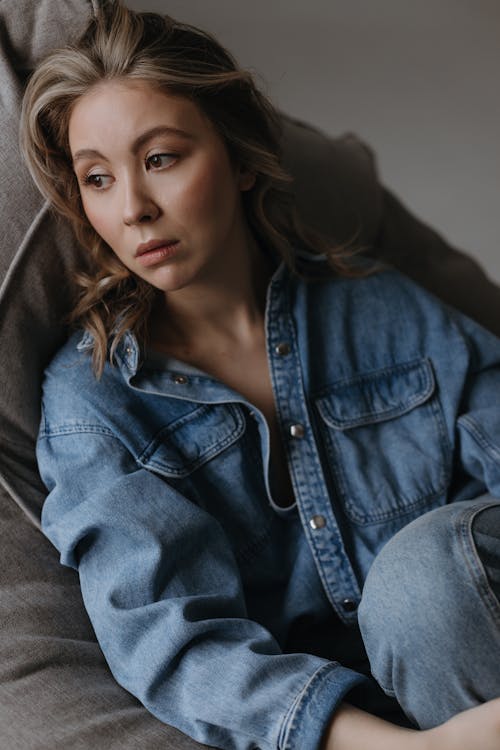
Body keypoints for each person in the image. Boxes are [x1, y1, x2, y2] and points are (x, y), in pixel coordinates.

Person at [20, 2, 500, 749]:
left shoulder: (377, 309)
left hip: (475, 660)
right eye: (97, 178)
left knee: (425, 581)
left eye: (161, 159)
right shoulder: (93, 405)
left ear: (240, 159)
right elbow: (173, 642)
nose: (135, 209)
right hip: (348, 735)